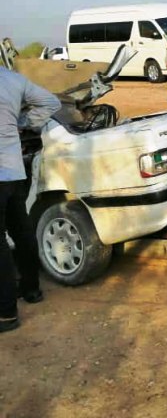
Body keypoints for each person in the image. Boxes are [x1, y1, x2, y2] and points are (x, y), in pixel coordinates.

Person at [1, 66, 61, 332]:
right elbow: (52, 102)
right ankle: (31, 289)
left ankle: (6, 314)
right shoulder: (13, 79)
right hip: (14, 171)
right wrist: (24, 123)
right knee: (21, 230)